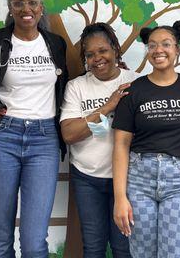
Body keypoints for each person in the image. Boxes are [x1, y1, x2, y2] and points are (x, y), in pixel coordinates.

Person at [0, 0, 68, 258]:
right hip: (2, 136)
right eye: (18, 2)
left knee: (33, 240)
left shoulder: (55, 44)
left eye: (32, 2)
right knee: (2, 236)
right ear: (10, 8)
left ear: (41, 8)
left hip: (44, 140)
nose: (25, 8)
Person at [112, 21, 180, 258]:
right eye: (152, 45)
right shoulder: (134, 91)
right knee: (143, 254)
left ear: (177, 49)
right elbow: (121, 144)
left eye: (166, 44)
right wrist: (120, 197)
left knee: (177, 254)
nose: (158, 50)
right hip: (140, 183)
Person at [60, 22, 136, 258]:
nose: (97, 59)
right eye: (90, 54)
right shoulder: (77, 87)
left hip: (127, 178)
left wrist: (91, 123)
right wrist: (108, 106)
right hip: (87, 177)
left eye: (102, 50)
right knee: (93, 247)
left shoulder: (136, 82)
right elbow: (70, 134)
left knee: (124, 246)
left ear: (114, 49)